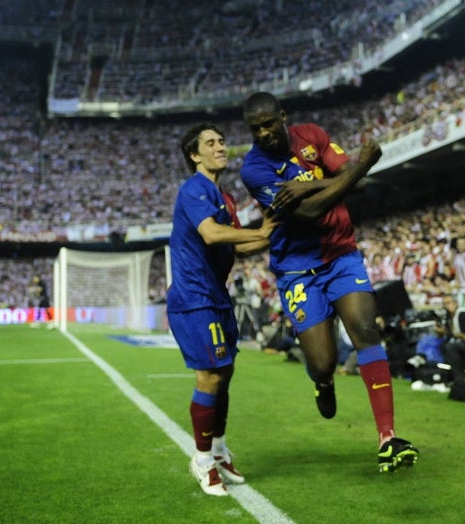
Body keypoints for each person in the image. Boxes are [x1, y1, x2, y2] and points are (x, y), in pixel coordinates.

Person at [239, 92, 418, 473]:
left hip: (340, 254)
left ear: (282, 117)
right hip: (296, 268)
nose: (263, 133)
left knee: (366, 330)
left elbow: (358, 187)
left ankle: (388, 437)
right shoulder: (253, 168)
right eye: (255, 129)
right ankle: (323, 383)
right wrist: (361, 166)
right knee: (323, 362)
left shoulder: (313, 136)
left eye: (268, 124)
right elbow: (309, 210)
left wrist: (308, 184)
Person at [166, 123, 278, 496]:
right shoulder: (193, 189)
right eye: (210, 143)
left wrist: (270, 231)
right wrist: (258, 234)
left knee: (225, 372)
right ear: (195, 155)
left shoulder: (225, 197)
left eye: (222, 141)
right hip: (193, 298)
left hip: (217, 296)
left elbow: (236, 247)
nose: (220, 147)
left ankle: (217, 448)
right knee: (210, 377)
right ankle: (201, 459)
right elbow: (212, 234)